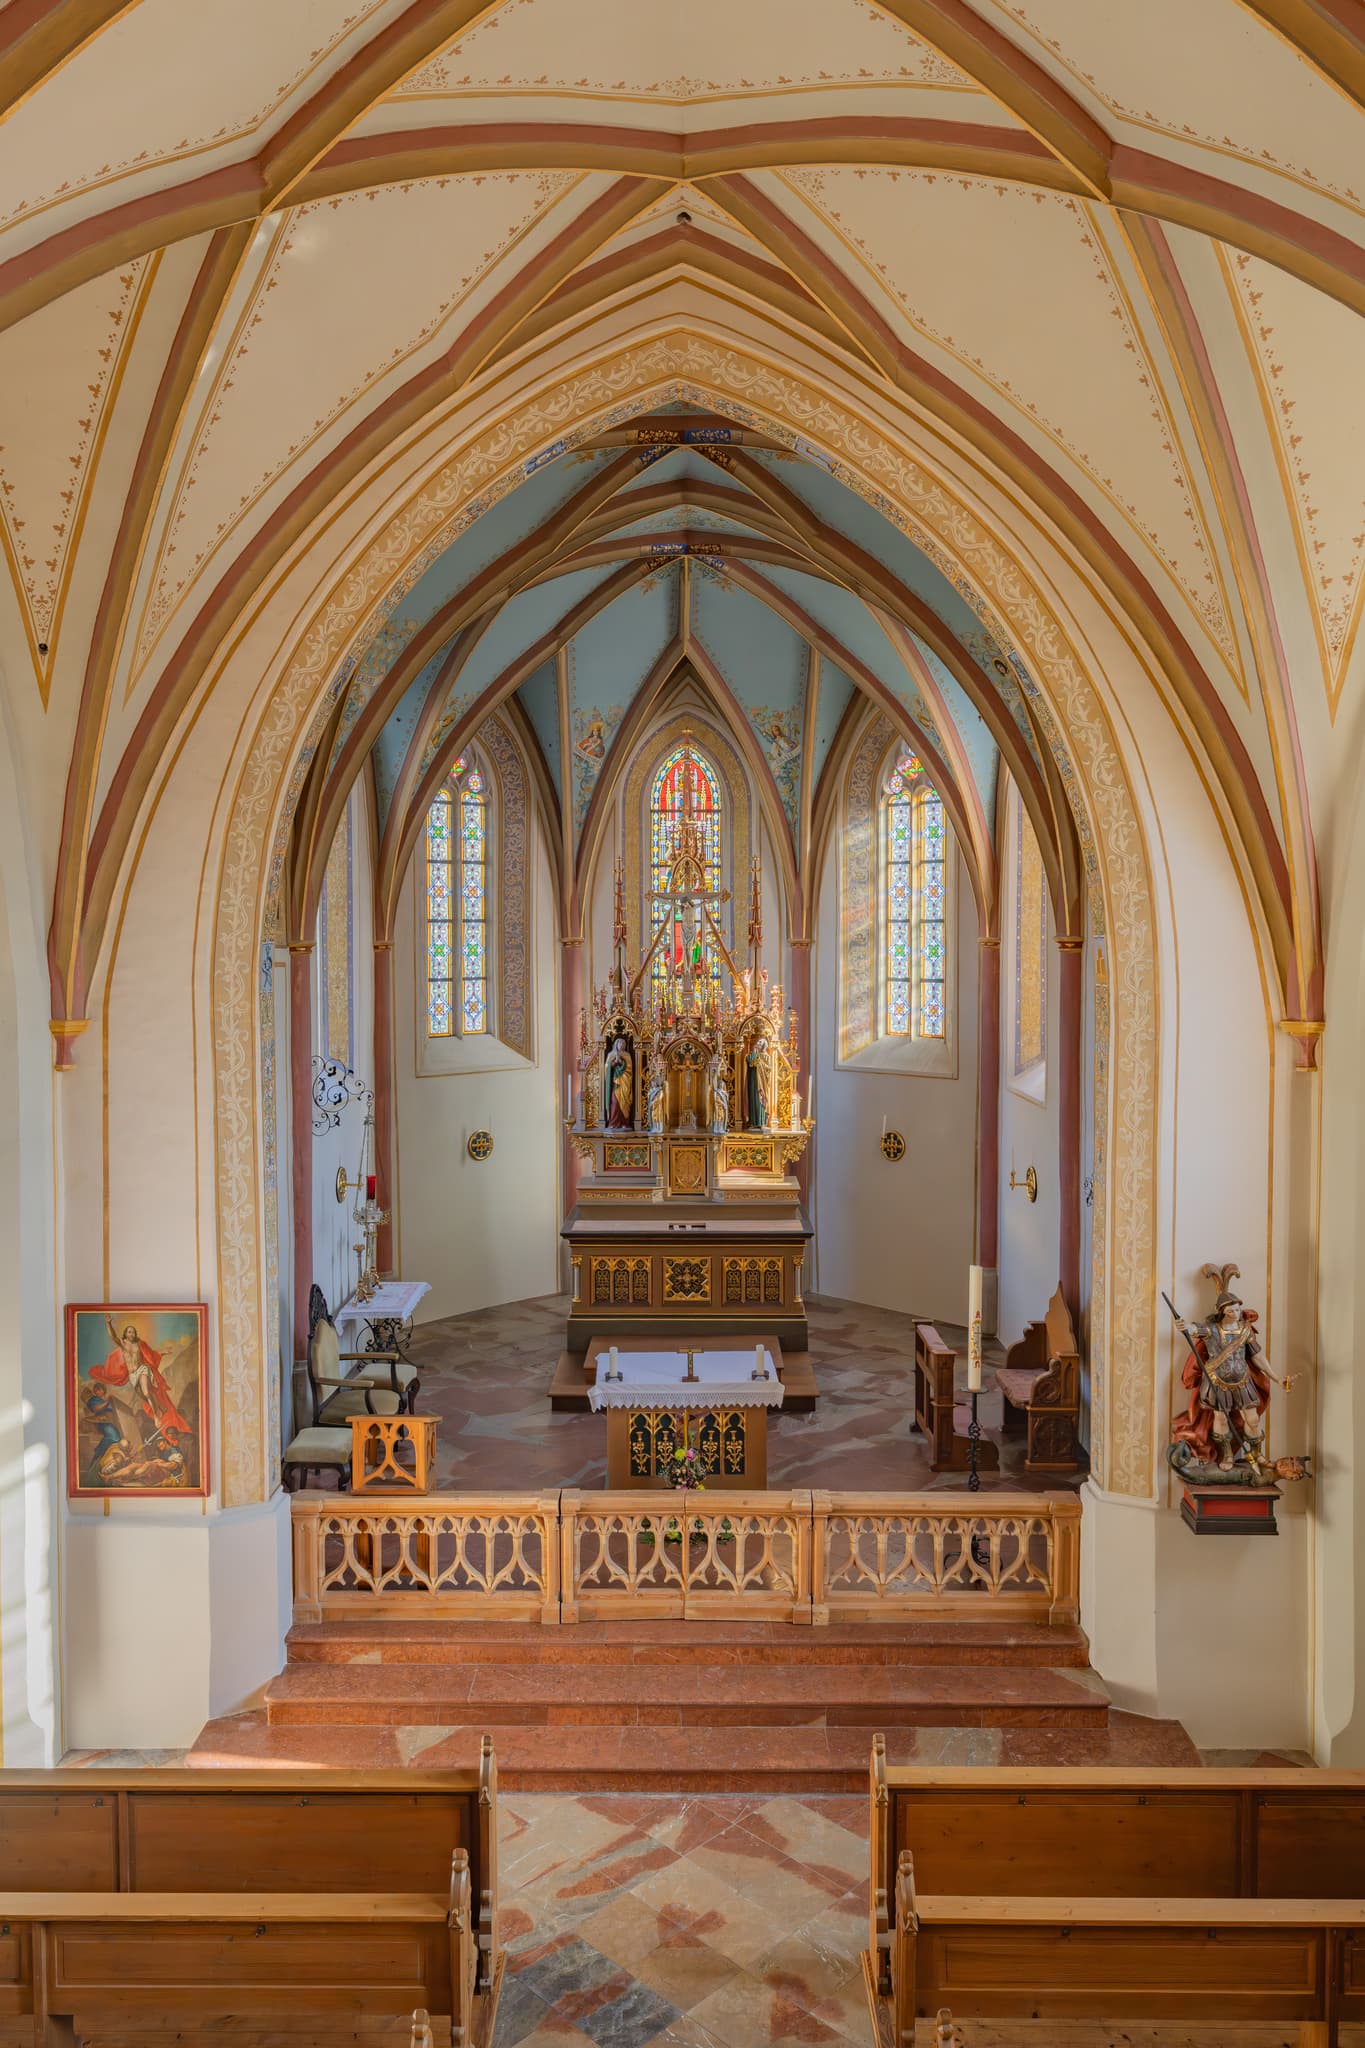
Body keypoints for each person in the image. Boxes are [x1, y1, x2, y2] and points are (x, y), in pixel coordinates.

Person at [1170, 1266, 1286, 1477]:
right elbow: (1193, 1329)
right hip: (1217, 1380)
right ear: (1222, 1310)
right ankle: (1227, 1455)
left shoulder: (1245, 1330)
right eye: (1231, 1310)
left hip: (1242, 1380)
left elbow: (1257, 1357)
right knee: (1220, 1418)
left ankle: (1257, 1453)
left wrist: (1276, 1378)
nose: (1236, 1313)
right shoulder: (1212, 1328)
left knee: (1252, 1420)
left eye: (1238, 1309)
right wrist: (1183, 1325)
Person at [92, 1317, 193, 1457]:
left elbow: (150, 1355)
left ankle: (157, 1417)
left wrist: (162, 1353)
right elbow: (112, 1336)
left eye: (133, 1332)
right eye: (128, 1332)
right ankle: (158, 1409)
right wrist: (108, 1323)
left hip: (142, 1369)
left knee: (146, 1392)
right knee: (144, 1396)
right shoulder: (123, 1344)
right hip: (133, 1375)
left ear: (135, 1334)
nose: (131, 1334)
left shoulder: (140, 1344)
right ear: (125, 1334)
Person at [604, 1035, 634, 1129]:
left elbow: (630, 1069)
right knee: (615, 1102)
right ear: (616, 1044)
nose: (621, 1045)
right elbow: (607, 1069)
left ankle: (625, 1123)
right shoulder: (611, 1054)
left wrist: (621, 1062)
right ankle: (613, 1123)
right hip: (615, 1083)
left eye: (623, 1043)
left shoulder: (627, 1055)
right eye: (619, 1043)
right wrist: (615, 1062)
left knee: (625, 1102)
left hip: (625, 1082)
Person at [744, 1039, 770, 1130]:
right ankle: (753, 1122)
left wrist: (760, 1063)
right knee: (753, 1100)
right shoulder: (752, 1054)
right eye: (758, 1042)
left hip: (762, 1083)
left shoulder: (766, 1057)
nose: (758, 1044)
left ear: (764, 1045)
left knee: (761, 1100)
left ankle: (762, 1122)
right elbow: (748, 1061)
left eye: (760, 1043)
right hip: (753, 1082)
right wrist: (754, 1054)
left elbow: (769, 1069)